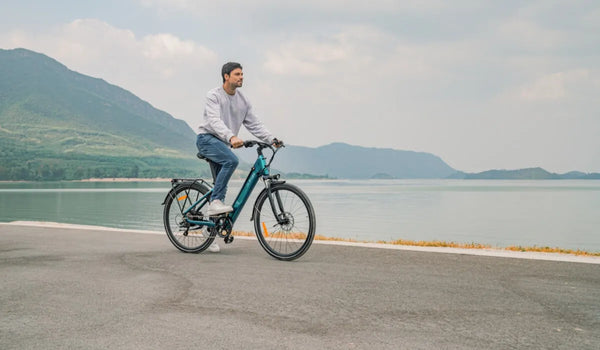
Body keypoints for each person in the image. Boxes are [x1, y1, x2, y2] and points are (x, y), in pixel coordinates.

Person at [196, 62, 280, 252]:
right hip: (207, 139)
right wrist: (231, 137)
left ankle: (209, 232)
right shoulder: (214, 96)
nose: (241, 77)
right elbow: (214, 121)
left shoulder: (243, 101)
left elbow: (254, 124)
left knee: (221, 187)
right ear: (226, 76)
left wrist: (271, 139)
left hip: (223, 144)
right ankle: (215, 203)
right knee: (232, 161)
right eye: (237, 74)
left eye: (242, 74)